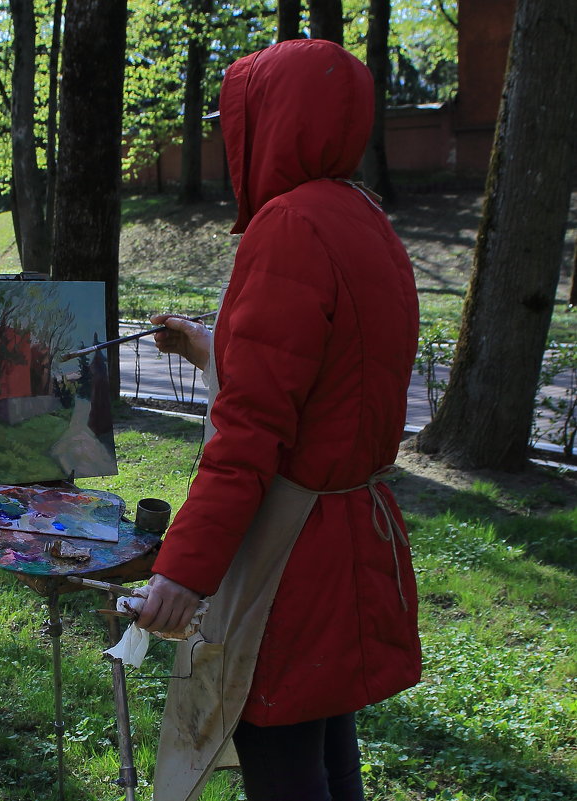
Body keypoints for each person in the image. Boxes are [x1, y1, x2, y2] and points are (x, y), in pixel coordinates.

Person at [135, 40, 421, 801]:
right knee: (321, 736)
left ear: (268, 122)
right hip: (344, 537)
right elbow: (326, 386)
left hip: (289, 557)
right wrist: (206, 348)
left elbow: (250, 437)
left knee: (282, 754)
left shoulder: (289, 225)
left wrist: (181, 573)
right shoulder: (362, 216)